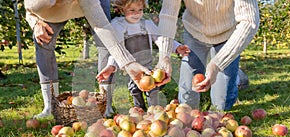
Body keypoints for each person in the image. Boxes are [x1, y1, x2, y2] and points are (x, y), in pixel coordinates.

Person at [24, 0, 153, 118]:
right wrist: (35, 23)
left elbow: (103, 28)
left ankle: (106, 104)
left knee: (104, 43)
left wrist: (128, 62)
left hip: (90, 3)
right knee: (42, 40)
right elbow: (29, 9)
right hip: (50, 12)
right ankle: (50, 107)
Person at [157, 0, 260, 110]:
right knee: (187, 91)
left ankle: (237, 77)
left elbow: (249, 22)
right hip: (194, 32)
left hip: (228, 33)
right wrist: (164, 56)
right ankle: (189, 115)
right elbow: (168, 14)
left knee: (222, 104)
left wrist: (217, 64)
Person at [96, 0, 190, 111]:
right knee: (134, 88)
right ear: (122, 10)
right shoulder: (118, 26)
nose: (136, 13)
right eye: (132, 10)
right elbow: (118, 51)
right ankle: (138, 109)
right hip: (133, 68)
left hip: (148, 67)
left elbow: (161, 38)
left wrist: (177, 47)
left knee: (152, 89)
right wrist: (111, 65)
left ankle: (154, 109)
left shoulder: (147, 24)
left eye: (140, 10)